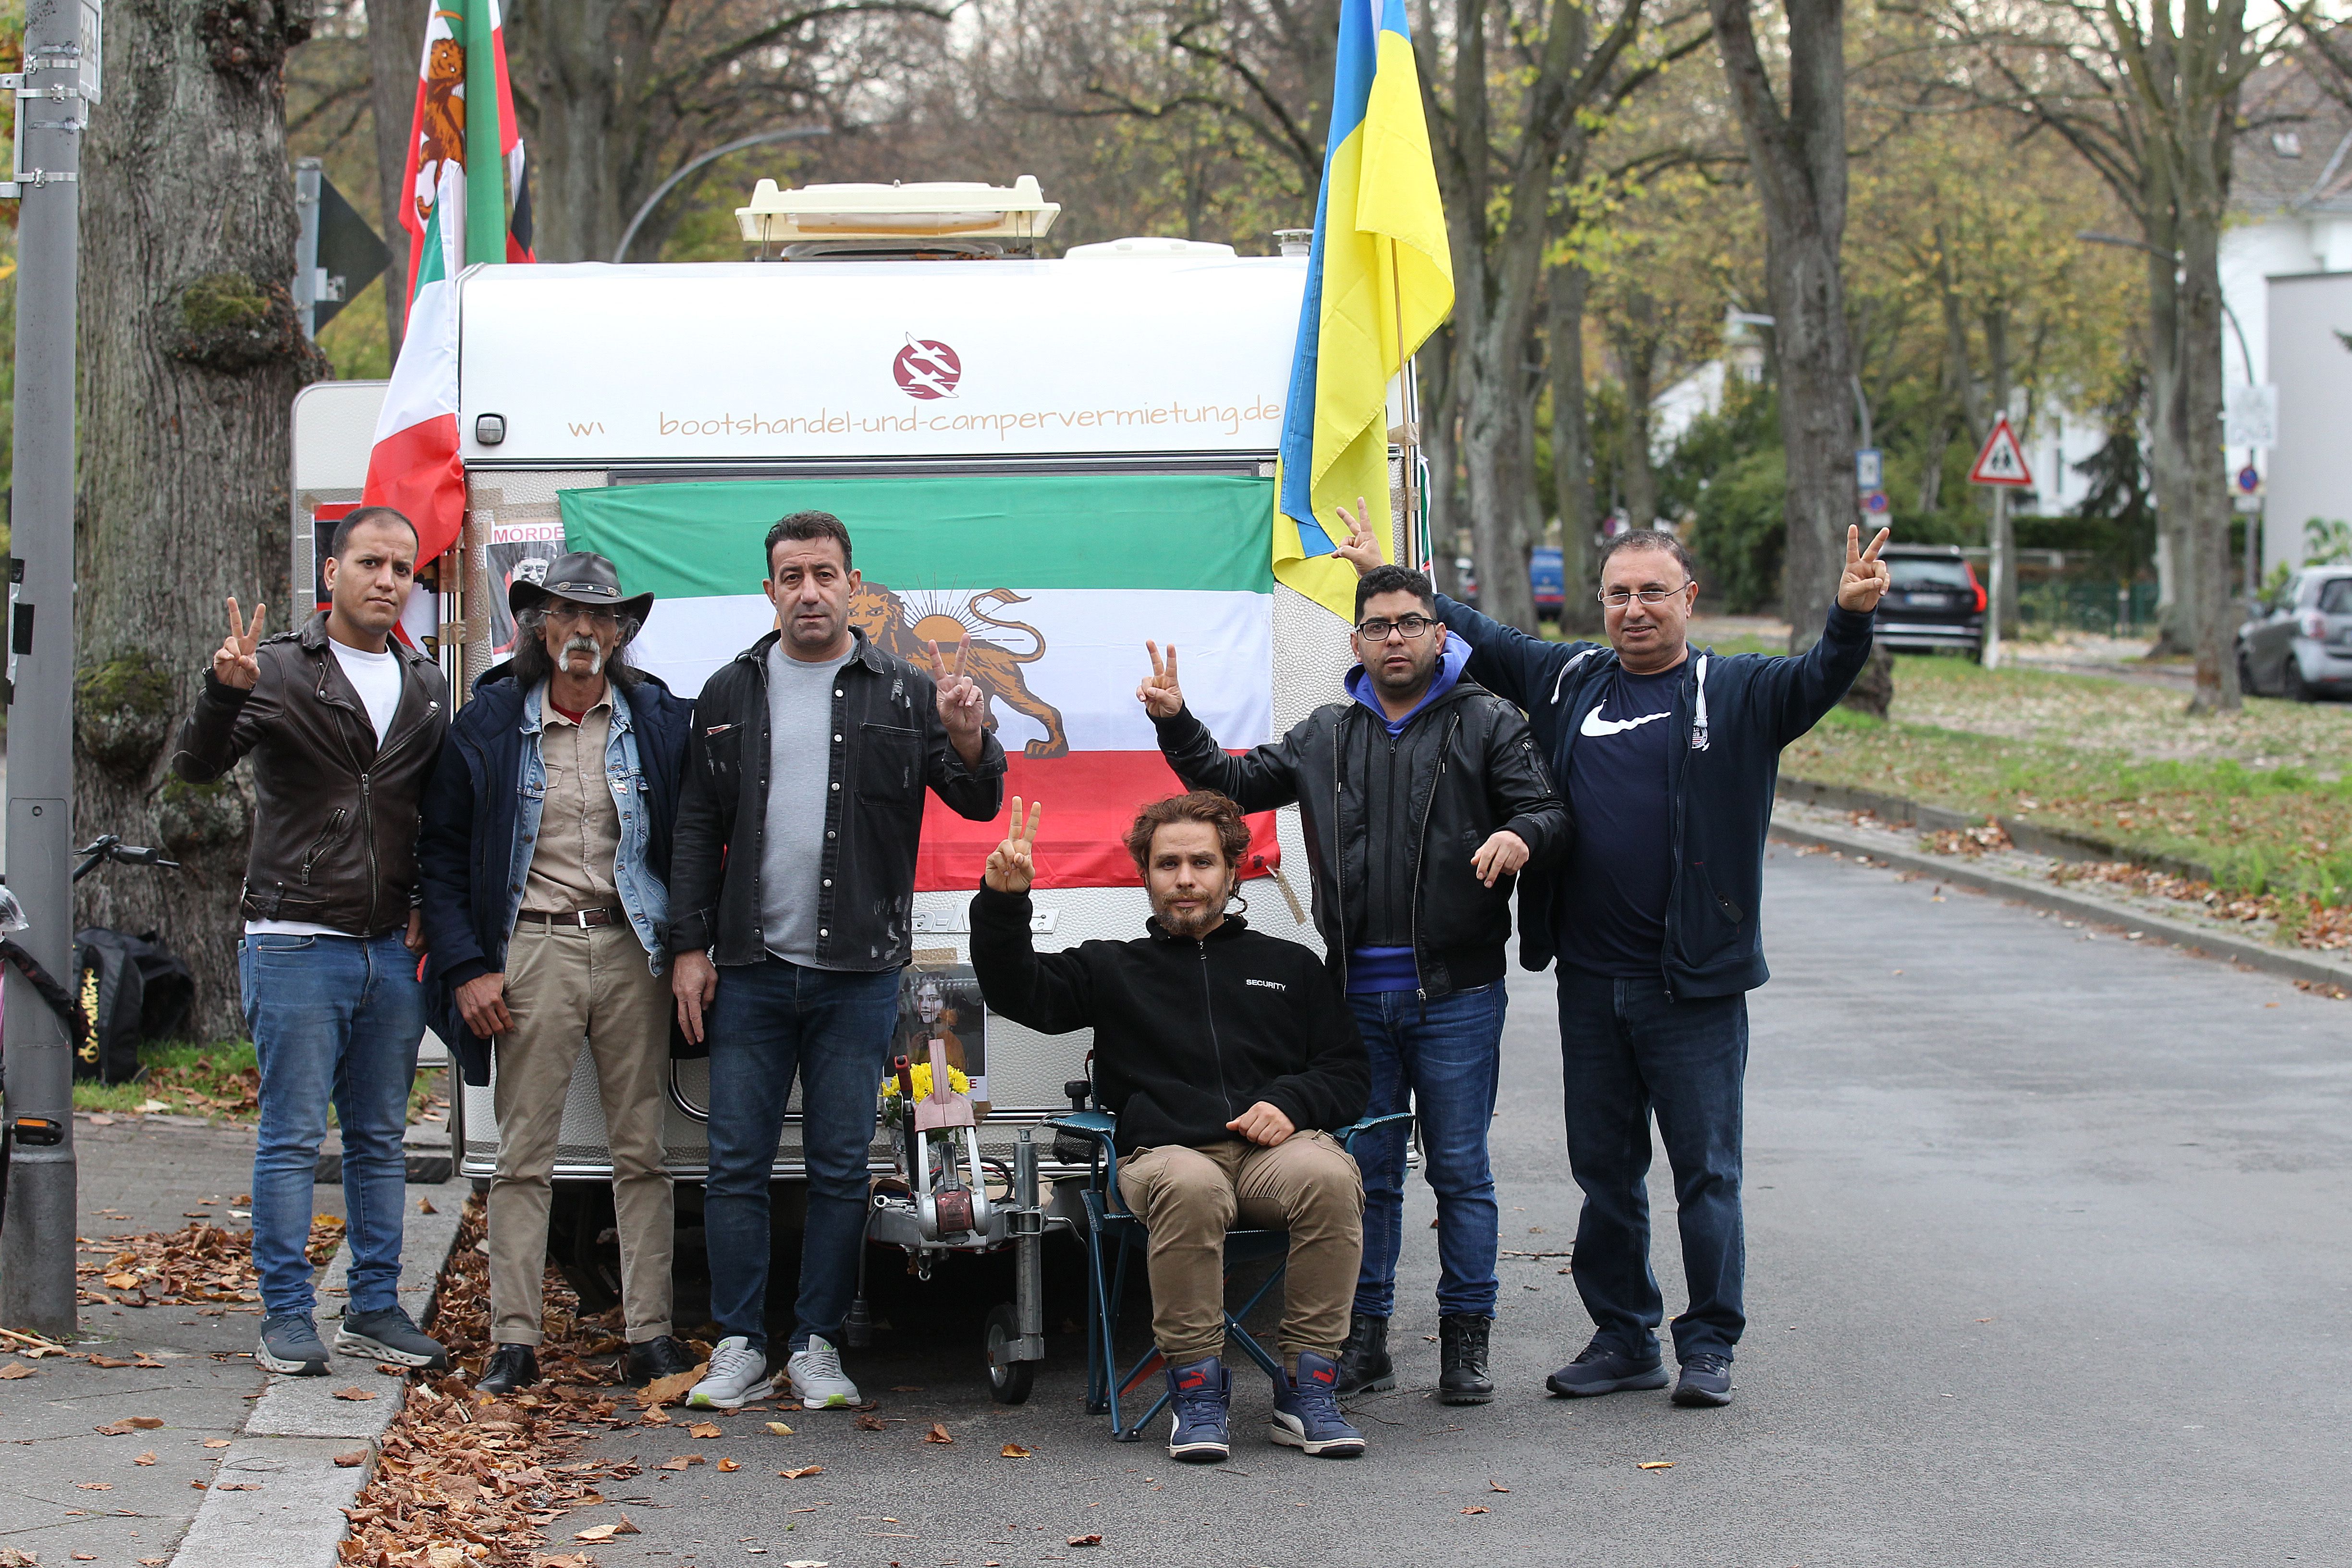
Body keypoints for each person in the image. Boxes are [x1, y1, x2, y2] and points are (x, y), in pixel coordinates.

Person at [1333, 507, 1892, 1409]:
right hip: (1592, 983)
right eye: (1620, 594)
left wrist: (1851, 616)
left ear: (1689, 599)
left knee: (1706, 1174)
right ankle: (1625, 1335)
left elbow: (1823, 675)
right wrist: (1386, 568)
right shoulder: (1571, 683)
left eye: (1653, 594)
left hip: (1694, 986)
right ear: (1601, 603)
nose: (1635, 610)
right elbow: (1478, 632)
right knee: (1605, 1172)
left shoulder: (1740, 693)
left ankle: (1709, 1343)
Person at [1139, 563, 1567, 1404]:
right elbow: (1229, 784)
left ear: (1440, 634)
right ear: (1357, 640)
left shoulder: (1488, 722)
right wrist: (1177, 723)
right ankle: (1362, 1339)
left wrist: (1520, 835)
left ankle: (1464, 1342)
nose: (1395, 638)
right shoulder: (1325, 733)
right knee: (1366, 1170)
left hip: (1458, 995)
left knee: (1460, 1170)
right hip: (1354, 1001)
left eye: (1411, 623)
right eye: (1379, 626)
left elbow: (1549, 811)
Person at [669, 511, 1006, 1412]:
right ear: (769, 589)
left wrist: (969, 735)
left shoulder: (903, 689)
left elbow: (976, 802)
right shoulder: (727, 692)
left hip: (858, 973)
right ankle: (740, 1343)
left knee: (838, 1165)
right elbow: (699, 825)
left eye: (825, 573)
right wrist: (689, 948)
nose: (809, 590)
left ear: (854, 584)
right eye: (791, 575)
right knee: (735, 1163)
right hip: (748, 966)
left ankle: (816, 1344)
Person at [970, 791, 1373, 1464]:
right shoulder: (1114, 966)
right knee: (1191, 1186)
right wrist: (1004, 904)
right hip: (1166, 1155)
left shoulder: (1291, 966)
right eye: (1168, 864)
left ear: (1232, 872)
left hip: (1272, 1153)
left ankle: (1307, 1388)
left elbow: (1348, 1071)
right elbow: (1021, 993)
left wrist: (1293, 1102)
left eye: (1201, 862)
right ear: (1146, 875)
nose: (1185, 878)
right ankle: (1196, 1392)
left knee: (1330, 1175)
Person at [171, 506, 452, 1377]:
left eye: (402, 568)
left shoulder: (426, 680)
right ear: (331, 573)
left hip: (386, 950)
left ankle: (374, 1307)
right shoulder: (283, 670)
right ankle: (287, 1316)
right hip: (294, 938)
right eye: (370, 562)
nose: (387, 580)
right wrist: (224, 691)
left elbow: (436, 815)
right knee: (292, 1137)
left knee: (378, 1138)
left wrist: (425, 907)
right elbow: (195, 768)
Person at [416, 551, 698, 1394]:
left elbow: (690, 840)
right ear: (540, 627)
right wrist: (468, 965)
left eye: (600, 618)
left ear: (620, 632)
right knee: (523, 1153)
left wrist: (690, 943)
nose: (583, 632)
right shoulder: (491, 721)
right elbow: (440, 852)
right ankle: (514, 1341)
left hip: (628, 946)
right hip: (528, 947)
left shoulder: (654, 719)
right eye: (567, 616)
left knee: (642, 1152)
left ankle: (649, 1335)